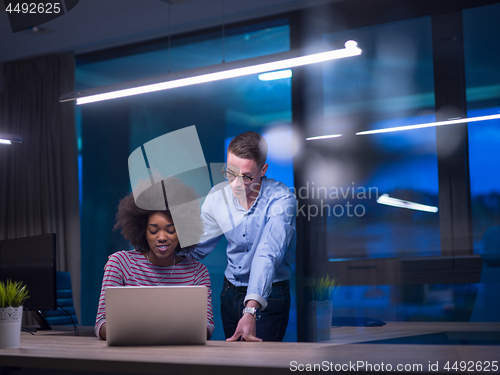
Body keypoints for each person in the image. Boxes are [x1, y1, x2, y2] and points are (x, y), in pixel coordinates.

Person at [183, 131, 296, 342]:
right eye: (230, 173)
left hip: (270, 296)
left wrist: (251, 309)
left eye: (245, 176)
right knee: (233, 364)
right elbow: (197, 247)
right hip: (230, 293)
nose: (235, 183)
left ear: (263, 170)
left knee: (261, 366)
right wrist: (143, 254)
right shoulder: (218, 197)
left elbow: (267, 254)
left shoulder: (281, 199)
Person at [95, 181, 214, 340]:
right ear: (143, 232)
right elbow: (102, 322)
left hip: (181, 357)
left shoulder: (197, 273)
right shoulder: (120, 264)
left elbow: (208, 326)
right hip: (130, 356)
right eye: (154, 230)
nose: (162, 237)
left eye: (171, 230)